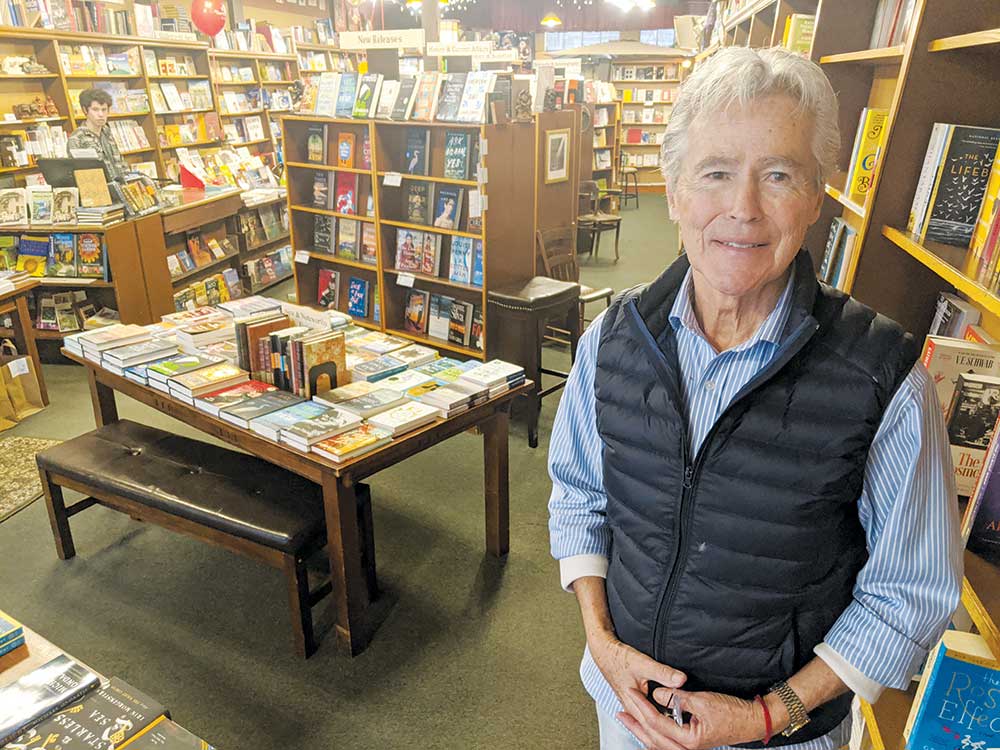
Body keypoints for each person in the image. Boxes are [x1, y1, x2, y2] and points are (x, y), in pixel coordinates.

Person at [548, 47, 962, 750]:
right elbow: (579, 497)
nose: (742, 209)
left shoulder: (883, 380)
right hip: (626, 714)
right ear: (673, 191)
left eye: (778, 175)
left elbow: (908, 596)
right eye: (715, 173)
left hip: (781, 738)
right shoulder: (611, 341)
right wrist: (602, 644)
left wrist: (767, 715)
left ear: (816, 200)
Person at [66, 88, 129, 183]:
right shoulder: (77, 138)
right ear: (85, 110)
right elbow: (79, 175)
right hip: (98, 190)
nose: (101, 114)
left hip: (120, 187)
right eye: (95, 110)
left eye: (104, 110)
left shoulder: (107, 133)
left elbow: (120, 163)